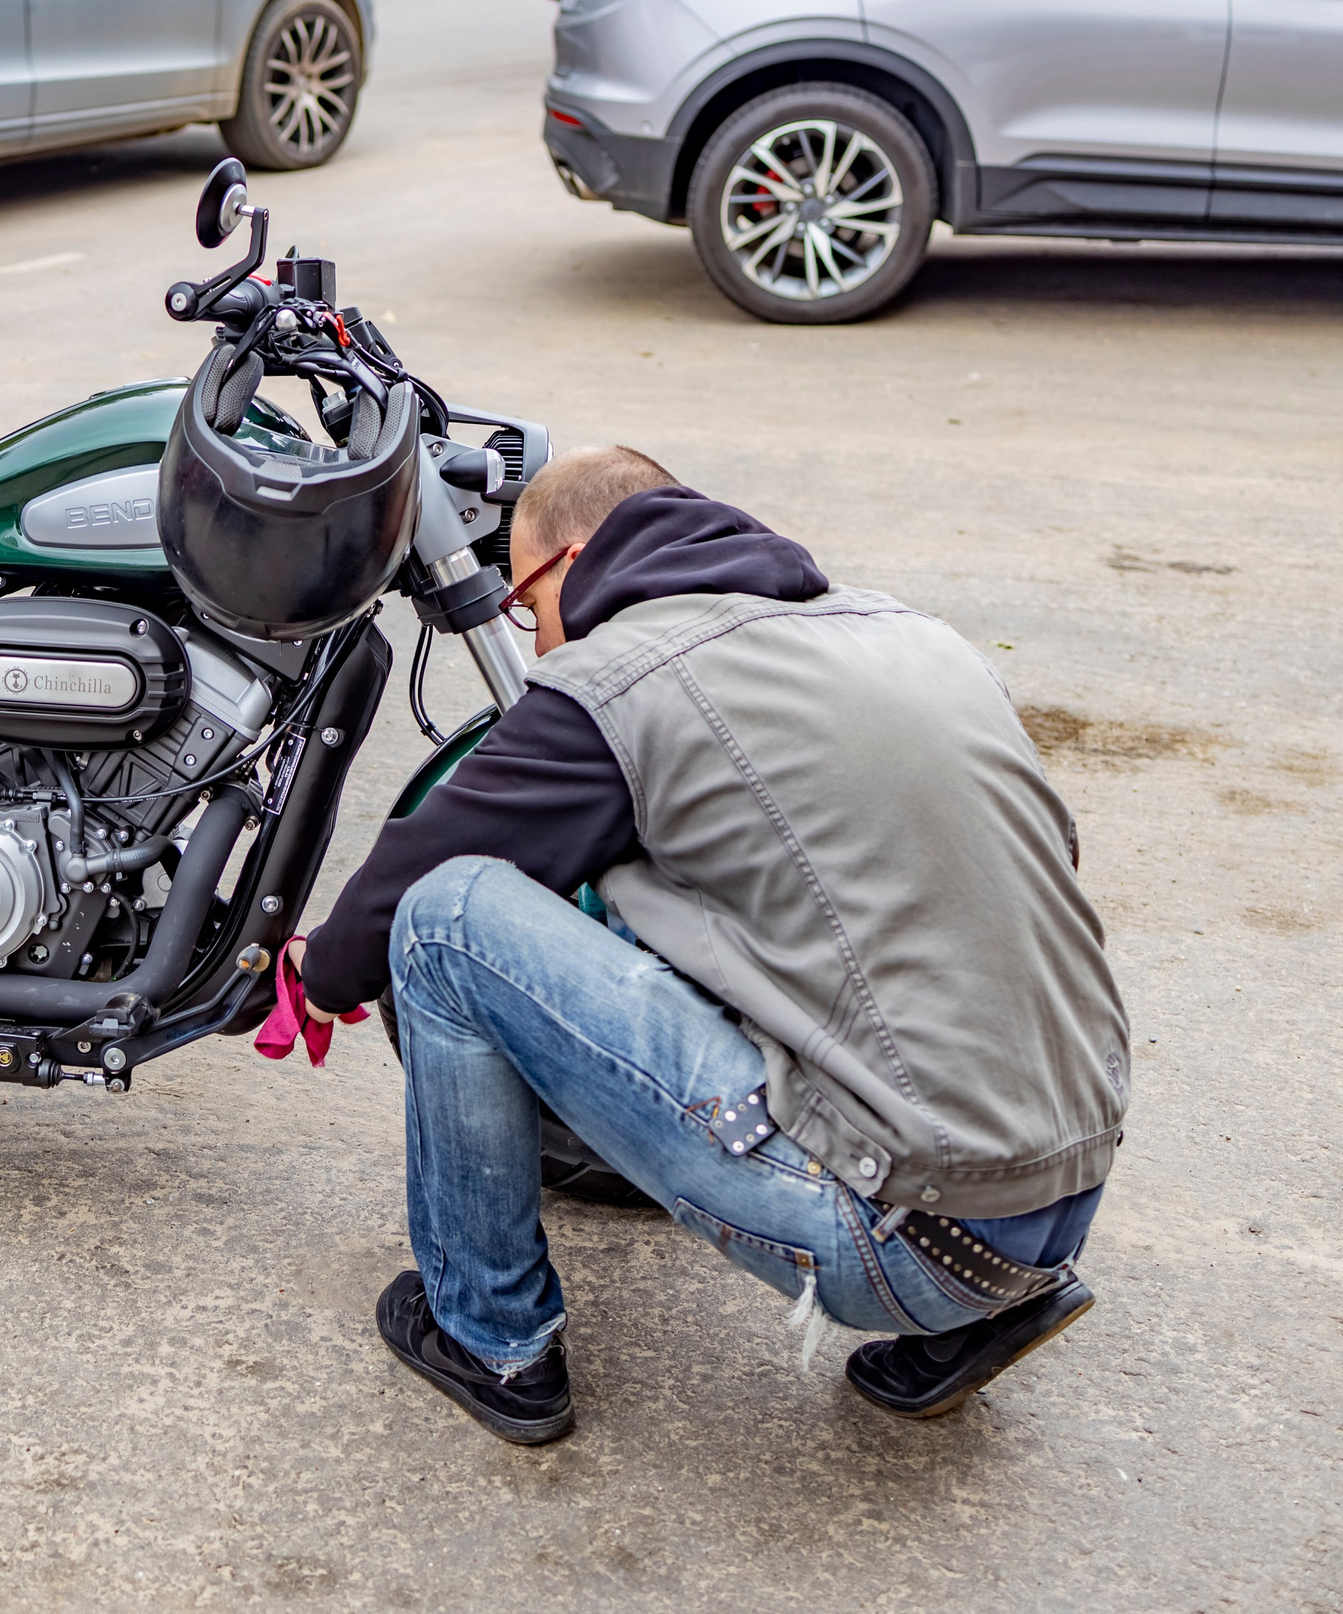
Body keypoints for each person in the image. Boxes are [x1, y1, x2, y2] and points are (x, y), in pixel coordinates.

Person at [286, 446, 1130, 1445]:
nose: (539, 645)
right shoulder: (902, 631)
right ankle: (982, 1309)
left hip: (897, 1235)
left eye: (523, 605)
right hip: (1058, 1192)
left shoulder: (621, 677)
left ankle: (490, 1338)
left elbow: (412, 881)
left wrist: (317, 968)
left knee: (445, 918)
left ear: (568, 561)